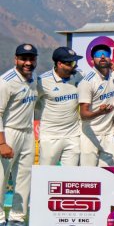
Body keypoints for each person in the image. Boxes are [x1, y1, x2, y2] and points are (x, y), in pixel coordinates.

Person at [0, 44, 38, 226]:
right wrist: (2, 143)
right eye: (24, 59)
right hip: (8, 132)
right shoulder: (6, 81)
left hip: (27, 133)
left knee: (24, 178)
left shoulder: (34, 78)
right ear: (16, 59)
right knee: (1, 178)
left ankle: (17, 219)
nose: (28, 63)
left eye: (31, 59)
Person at [78, 44, 114, 166]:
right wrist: (99, 112)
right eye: (98, 55)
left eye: (106, 55)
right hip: (90, 134)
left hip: (109, 133)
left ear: (110, 58)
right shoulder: (87, 82)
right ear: (92, 60)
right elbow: (83, 114)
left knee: (108, 173)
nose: (102, 57)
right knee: (88, 175)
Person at [36, 47, 83, 166]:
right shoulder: (42, 81)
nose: (75, 66)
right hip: (50, 137)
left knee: (70, 177)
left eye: (75, 62)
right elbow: (32, 104)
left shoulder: (79, 75)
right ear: (59, 64)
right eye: (71, 63)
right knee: (46, 175)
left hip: (73, 135)